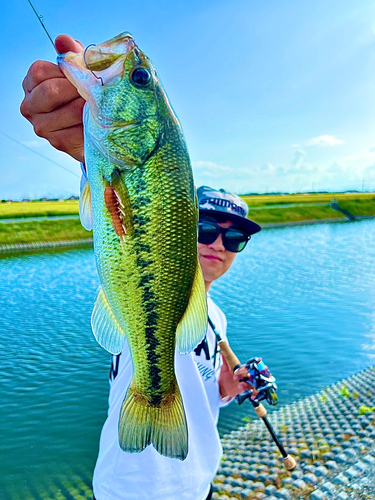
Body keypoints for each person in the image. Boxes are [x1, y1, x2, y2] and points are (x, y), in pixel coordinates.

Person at [20, 35, 262, 500]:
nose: (219, 243)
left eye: (235, 237)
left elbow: (206, 383)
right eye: (206, 227)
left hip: (201, 485)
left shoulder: (214, 315)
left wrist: (233, 383)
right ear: (180, 222)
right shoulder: (166, 296)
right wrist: (85, 152)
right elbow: (116, 187)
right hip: (130, 489)